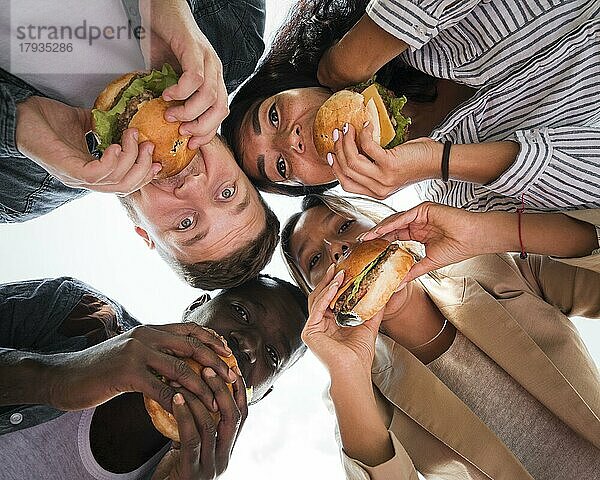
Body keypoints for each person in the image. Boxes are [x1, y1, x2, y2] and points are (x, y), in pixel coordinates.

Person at [281, 194, 600, 479]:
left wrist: (484, 231)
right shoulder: (358, 391)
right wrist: (348, 372)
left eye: (344, 226)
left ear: (380, 222)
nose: (336, 249)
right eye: (314, 261)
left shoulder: (490, 265)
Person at [222, 0, 600, 211]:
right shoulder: (452, 197)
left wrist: (353, 58)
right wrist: (438, 160)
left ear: (294, 84)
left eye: (273, 116)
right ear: (320, 184)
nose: (291, 141)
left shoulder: (374, 16)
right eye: (283, 166)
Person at [1, 1, 276, 290]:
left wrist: (20, 122)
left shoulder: (17, 195)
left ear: (145, 234)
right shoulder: (237, 38)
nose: (191, 185)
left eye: (186, 224)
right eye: (227, 192)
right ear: (235, 158)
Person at [0, 274, 307, 479]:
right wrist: (51, 380)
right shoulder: (75, 311)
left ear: (263, 394)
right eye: (241, 312)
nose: (250, 344)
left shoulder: (187, 472)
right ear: (194, 309)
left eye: (272, 355)